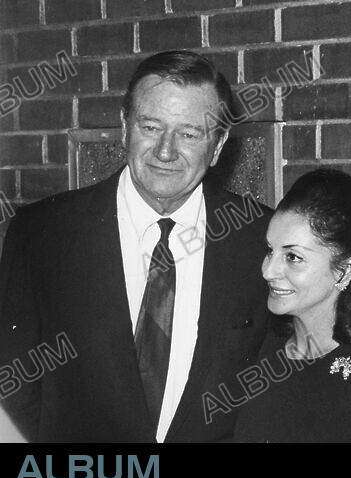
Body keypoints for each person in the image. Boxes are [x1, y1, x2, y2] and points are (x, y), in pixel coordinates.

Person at [0, 50, 271, 442]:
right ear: (125, 126)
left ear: (218, 145)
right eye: (151, 126)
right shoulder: (42, 235)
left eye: (190, 133)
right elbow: (12, 397)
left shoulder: (262, 240)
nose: (165, 150)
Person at [234, 169, 351, 442]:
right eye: (269, 251)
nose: (268, 270)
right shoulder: (266, 348)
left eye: (293, 257)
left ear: (344, 271)